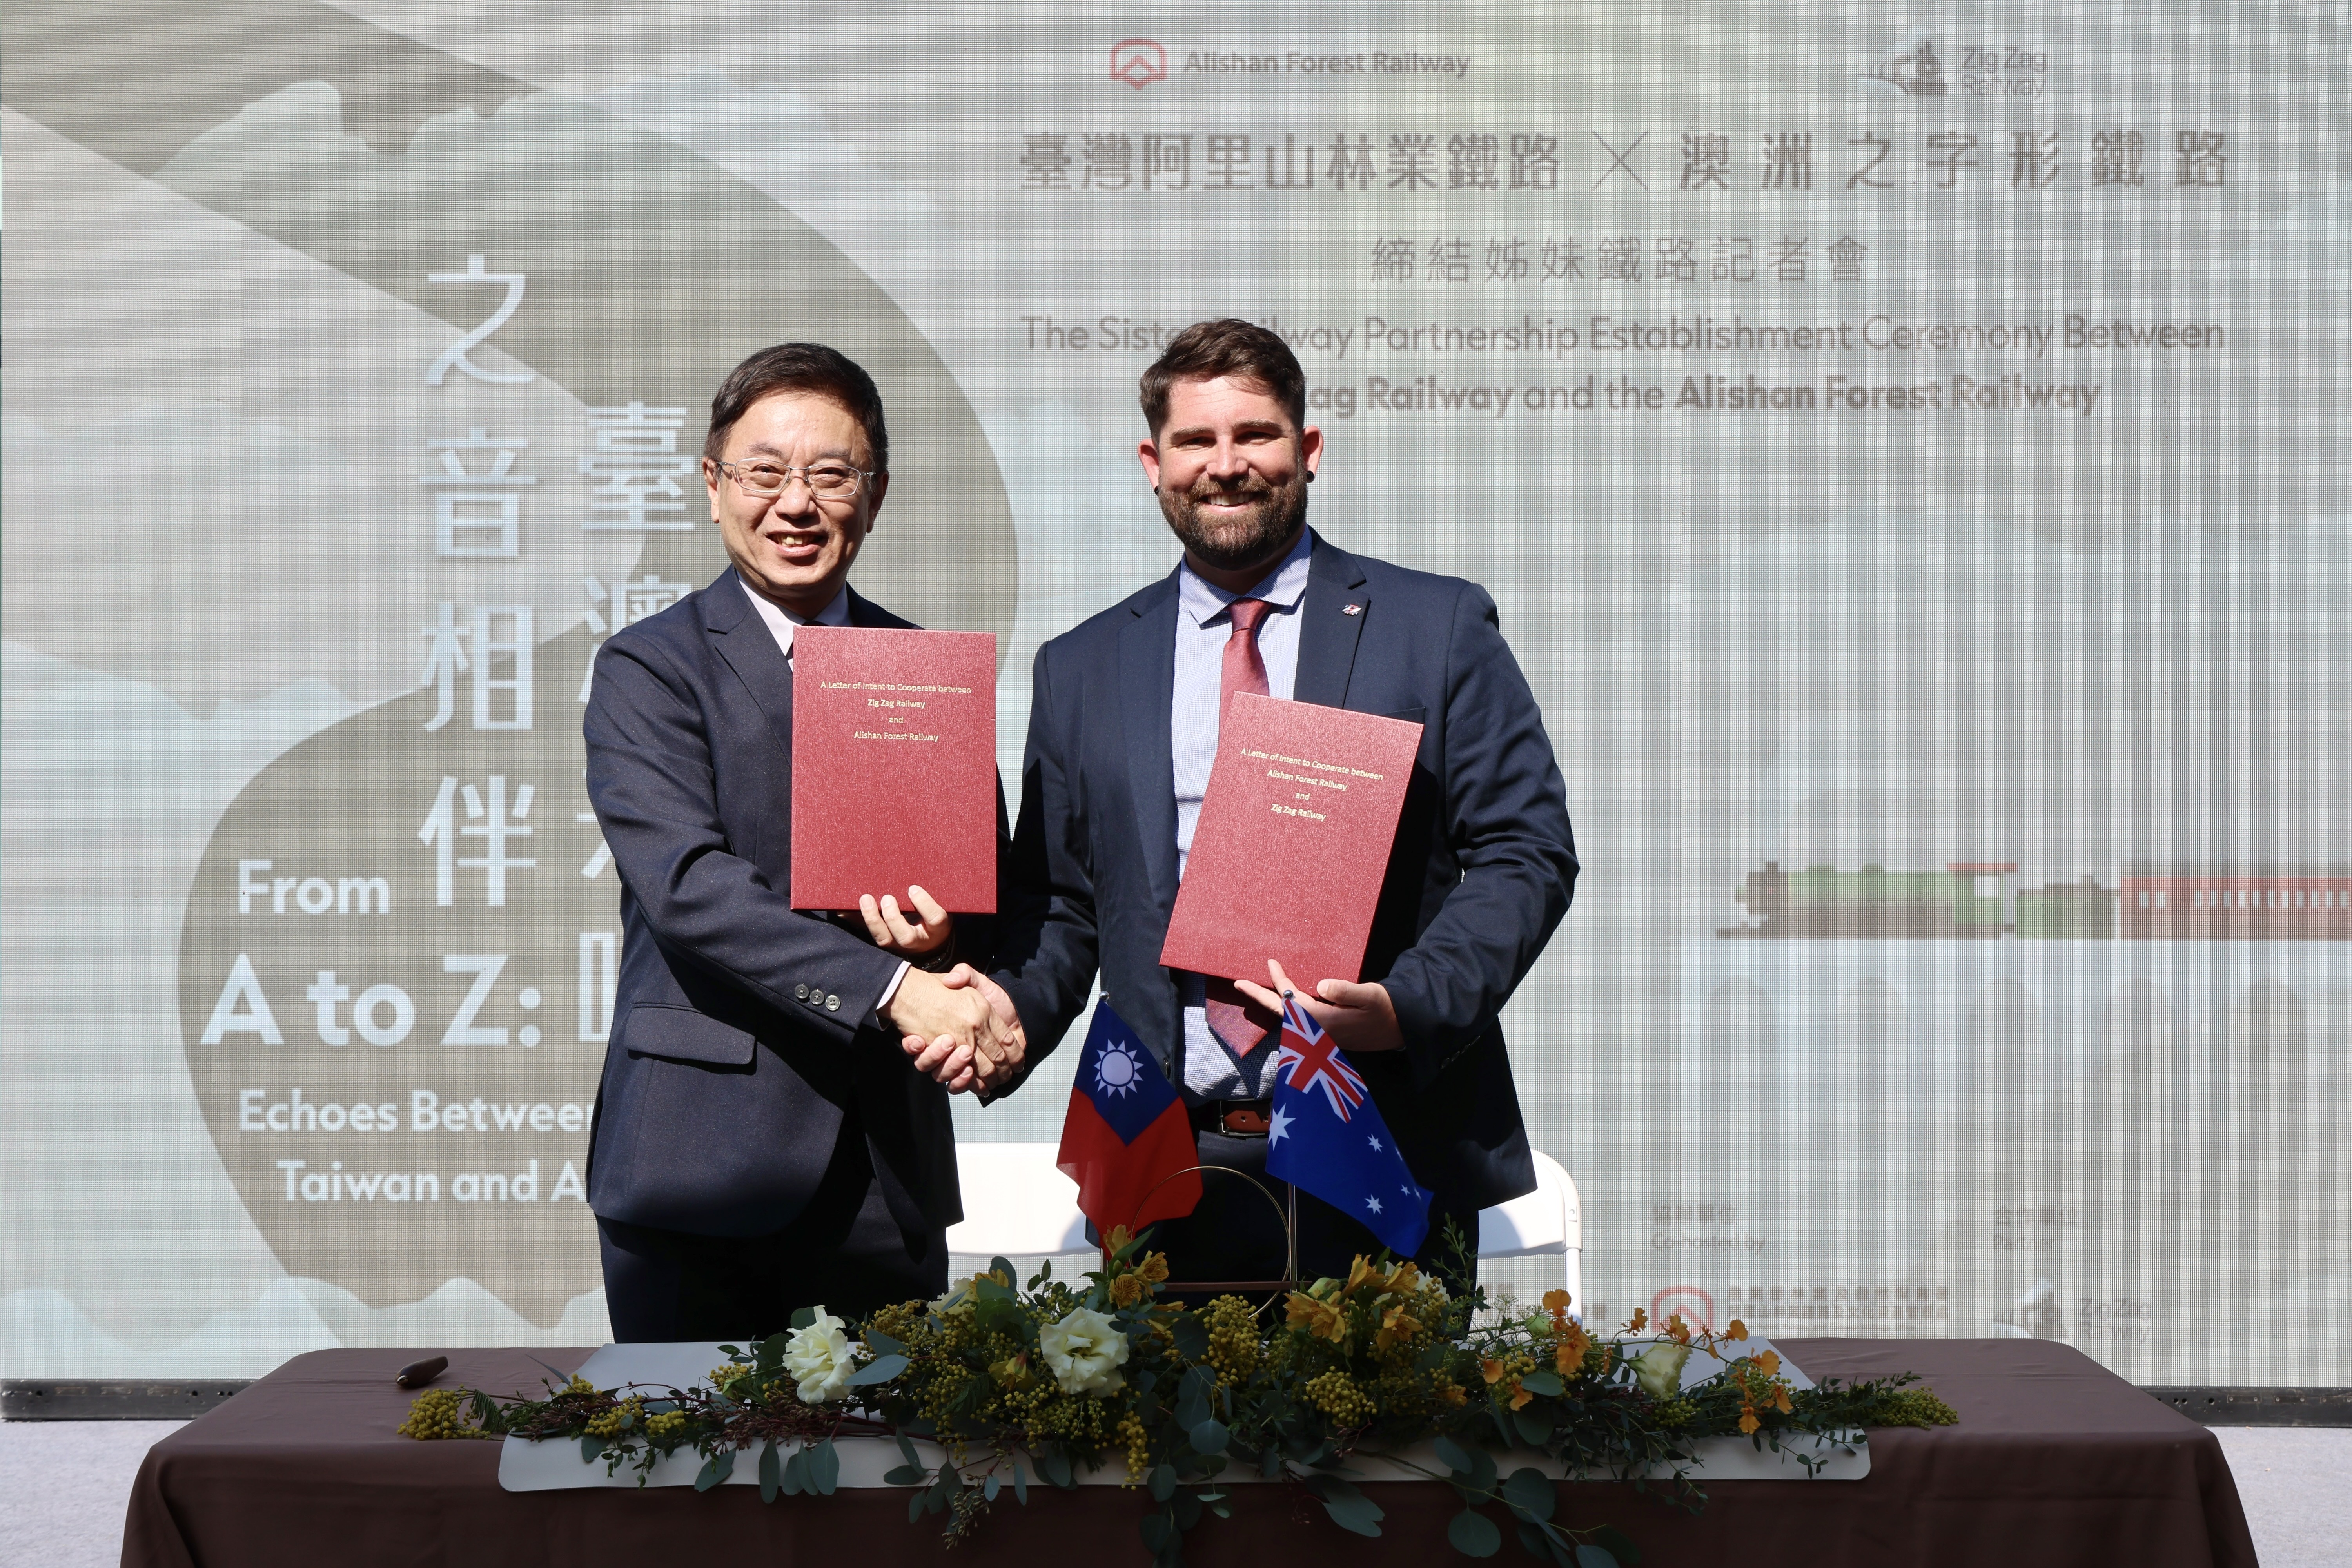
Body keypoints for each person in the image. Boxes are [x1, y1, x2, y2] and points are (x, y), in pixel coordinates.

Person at [913, 319, 1576, 1287]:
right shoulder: (1083, 667)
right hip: (1161, 1155)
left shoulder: (1434, 628)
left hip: (1382, 1135)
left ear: (1308, 450)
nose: (1227, 466)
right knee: (1161, 1441)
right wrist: (1004, 1006)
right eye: (1196, 441)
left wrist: (1403, 1004)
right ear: (1154, 462)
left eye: (1256, 435)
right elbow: (1063, 905)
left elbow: (1526, 850)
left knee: (1394, 1446)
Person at [583, 342, 1017, 1340]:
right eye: (765, 473)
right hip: (699, 1167)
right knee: (688, 1481)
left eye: (831, 474)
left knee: (890, 1483)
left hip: (883, 1170)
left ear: (875, 493)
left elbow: (978, 897)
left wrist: (945, 944)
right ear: (713, 484)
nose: (796, 504)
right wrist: (892, 987)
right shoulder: (651, 667)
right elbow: (690, 888)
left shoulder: (922, 669)